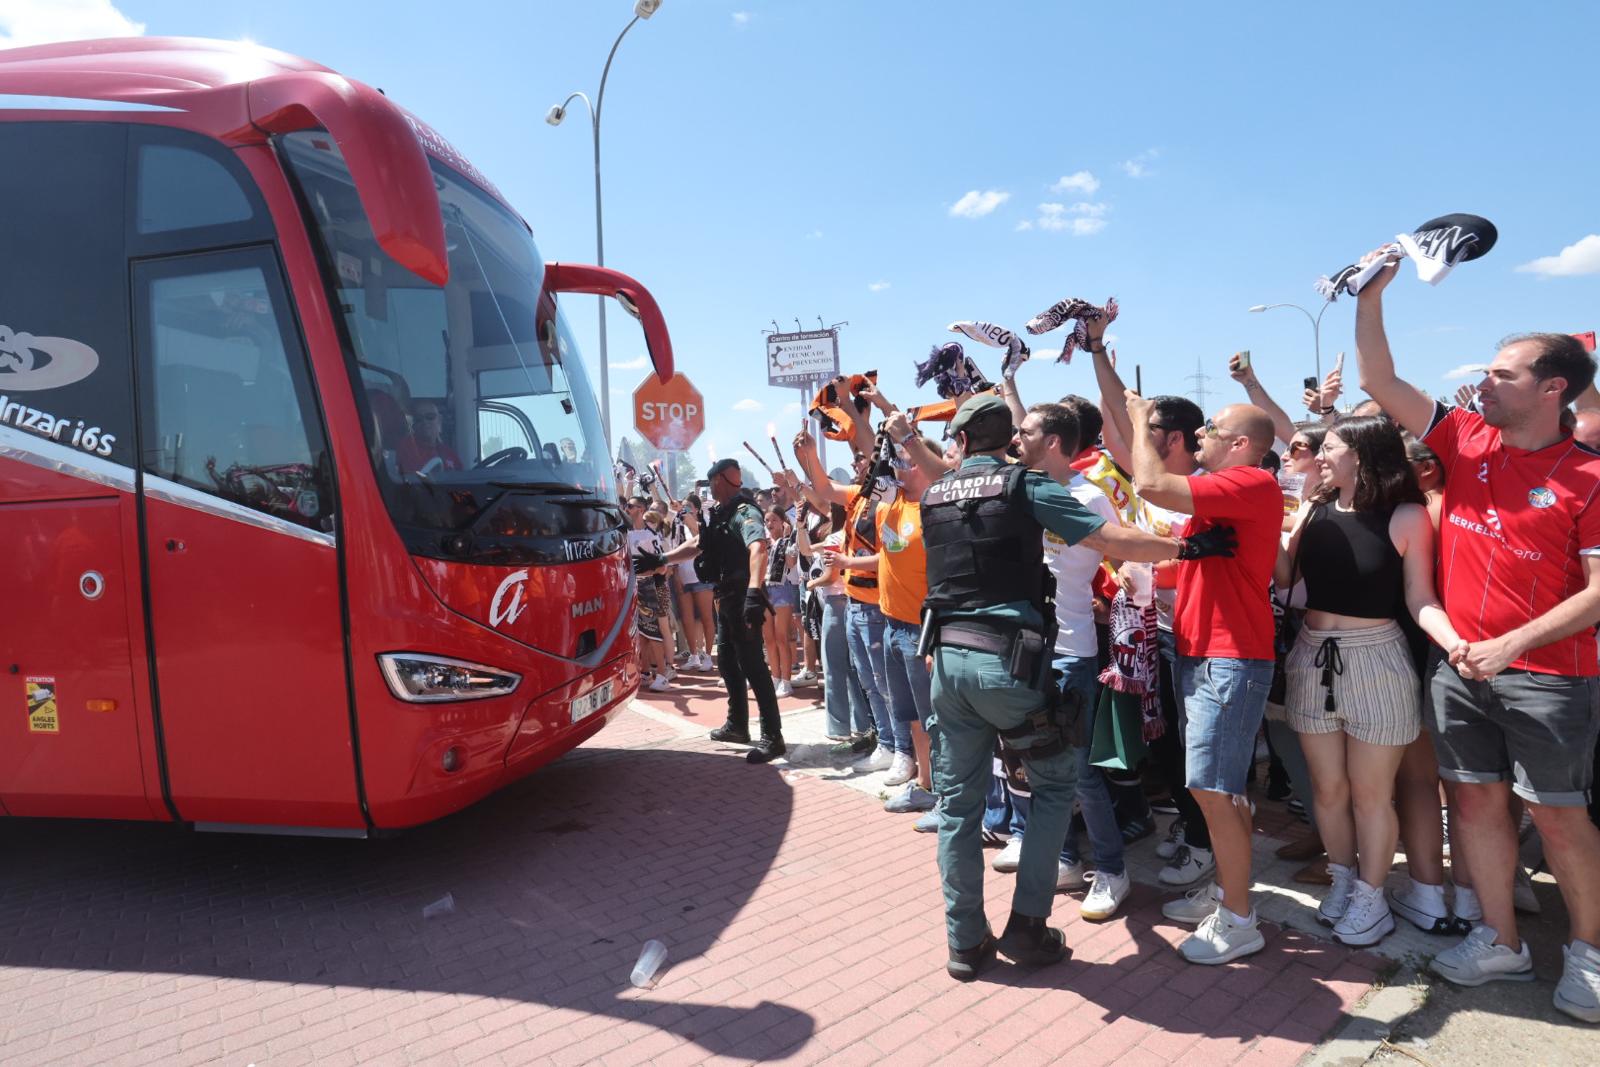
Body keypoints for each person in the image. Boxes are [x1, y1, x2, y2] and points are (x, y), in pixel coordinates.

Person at [1354, 250, 1600, 1020]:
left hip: (1549, 674)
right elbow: (1379, 383)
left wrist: (1512, 644)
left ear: (1554, 387)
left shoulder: (1588, 477)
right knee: (1478, 807)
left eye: (1503, 373)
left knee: (1558, 816)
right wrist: (1370, 296)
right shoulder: (1464, 439)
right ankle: (1501, 937)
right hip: (1461, 666)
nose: (1483, 381)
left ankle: (1589, 951)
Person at [923, 393, 1236, 981]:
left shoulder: (934, 494)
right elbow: (1111, 542)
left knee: (958, 809)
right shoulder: (1025, 486)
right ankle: (1027, 928)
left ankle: (964, 943)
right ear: (1010, 440)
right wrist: (1188, 547)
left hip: (946, 663)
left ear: (960, 442)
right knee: (1054, 788)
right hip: (1010, 664)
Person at [1278, 415, 1465, 946]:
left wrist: (1453, 642)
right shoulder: (1314, 508)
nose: (1318, 456)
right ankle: (1341, 878)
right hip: (1312, 653)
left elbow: (1420, 598)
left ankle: (1371, 896)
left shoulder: (1406, 515)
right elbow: (1286, 580)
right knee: (1327, 788)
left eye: (1329, 447)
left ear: (1359, 455)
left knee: (1370, 794)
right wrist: (1277, 522)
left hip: (1377, 657)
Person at [1124, 389, 1282, 966]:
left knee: (1211, 788)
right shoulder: (1221, 500)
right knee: (1220, 788)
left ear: (1241, 445)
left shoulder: (1253, 483)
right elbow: (1205, 567)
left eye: (1211, 430)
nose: (1199, 438)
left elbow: (1149, 484)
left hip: (1229, 656)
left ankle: (1239, 920)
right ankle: (1229, 893)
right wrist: (1152, 572)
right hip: (1204, 652)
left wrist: (1142, 421)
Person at [1089, 344, 1220, 890]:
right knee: (1162, 739)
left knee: (1196, 746)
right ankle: (1192, 828)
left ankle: (1204, 840)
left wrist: (1151, 563)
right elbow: (1119, 414)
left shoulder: (1205, 488)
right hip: (1151, 632)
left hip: (1200, 637)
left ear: (1175, 438)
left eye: (1152, 428)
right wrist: (1096, 348)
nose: (1138, 436)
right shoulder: (1147, 474)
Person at [1013, 401, 1133, 921]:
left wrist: (1127, 592)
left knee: (1081, 771)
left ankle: (1111, 869)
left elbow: (1123, 555)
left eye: (1026, 433)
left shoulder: (1089, 497)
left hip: (1072, 650)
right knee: (1038, 765)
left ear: (1055, 442)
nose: (1016, 440)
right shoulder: (1016, 493)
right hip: (1024, 649)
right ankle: (1063, 856)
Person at [661, 458, 786, 763]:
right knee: (728, 663)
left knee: (754, 666)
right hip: (726, 597)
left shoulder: (744, 512)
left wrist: (755, 593)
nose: (710, 486)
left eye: (712, 481)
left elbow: (758, 547)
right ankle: (737, 725)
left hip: (744, 596)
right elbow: (699, 544)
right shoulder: (720, 514)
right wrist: (662, 559)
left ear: (719, 480)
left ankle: (773, 736)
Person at [793, 423, 902, 772]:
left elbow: (893, 556)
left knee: (885, 685)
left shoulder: (891, 501)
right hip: (854, 604)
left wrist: (845, 562)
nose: (857, 466)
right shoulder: (857, 497)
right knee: (869, 683)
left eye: (863, 461)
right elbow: (823, 488)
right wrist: (809, 453)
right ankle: (885, 743)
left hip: (874, 604)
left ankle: (901, 749)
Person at [762, 507, 801, 698]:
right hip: (764, 590)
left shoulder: (788, 541)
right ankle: (775, 677)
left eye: (774, 520)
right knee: (768, 638)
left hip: (782, 590)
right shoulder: (763, 542)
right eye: (767, 520)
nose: (770, 525)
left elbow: (791, 563)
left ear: (783, 521)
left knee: (781, 637)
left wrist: (786, 538)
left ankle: (786, 681)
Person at [396, 399, 463, 474]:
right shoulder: (405, 448)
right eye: (419, 419)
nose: (425, 421)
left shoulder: (450, 454)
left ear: (439, 420)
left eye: (430, 416)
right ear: (414, 425)